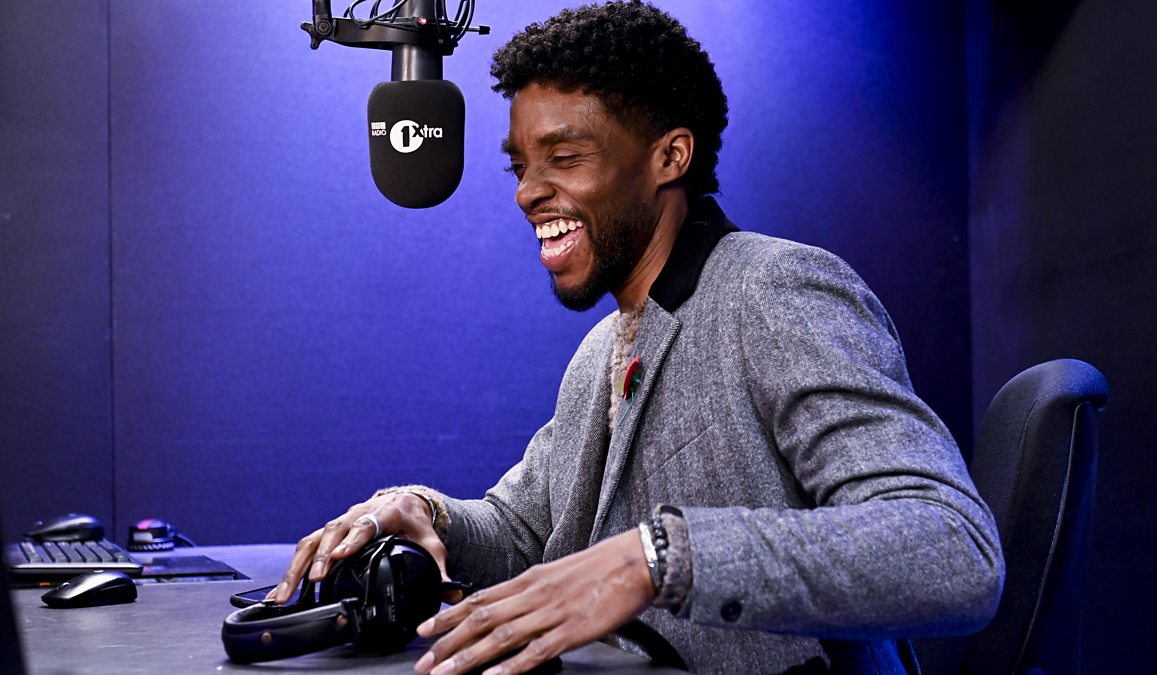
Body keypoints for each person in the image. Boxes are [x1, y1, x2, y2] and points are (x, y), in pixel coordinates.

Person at [271, 2, 1004, 673]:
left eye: (564, 158)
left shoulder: (775, 289)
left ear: (670, 157)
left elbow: (952, 547)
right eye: (521, 166)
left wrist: (658, 557)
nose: (527, 191)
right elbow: (523, 533)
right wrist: (425, 512)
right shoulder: (603, 349)